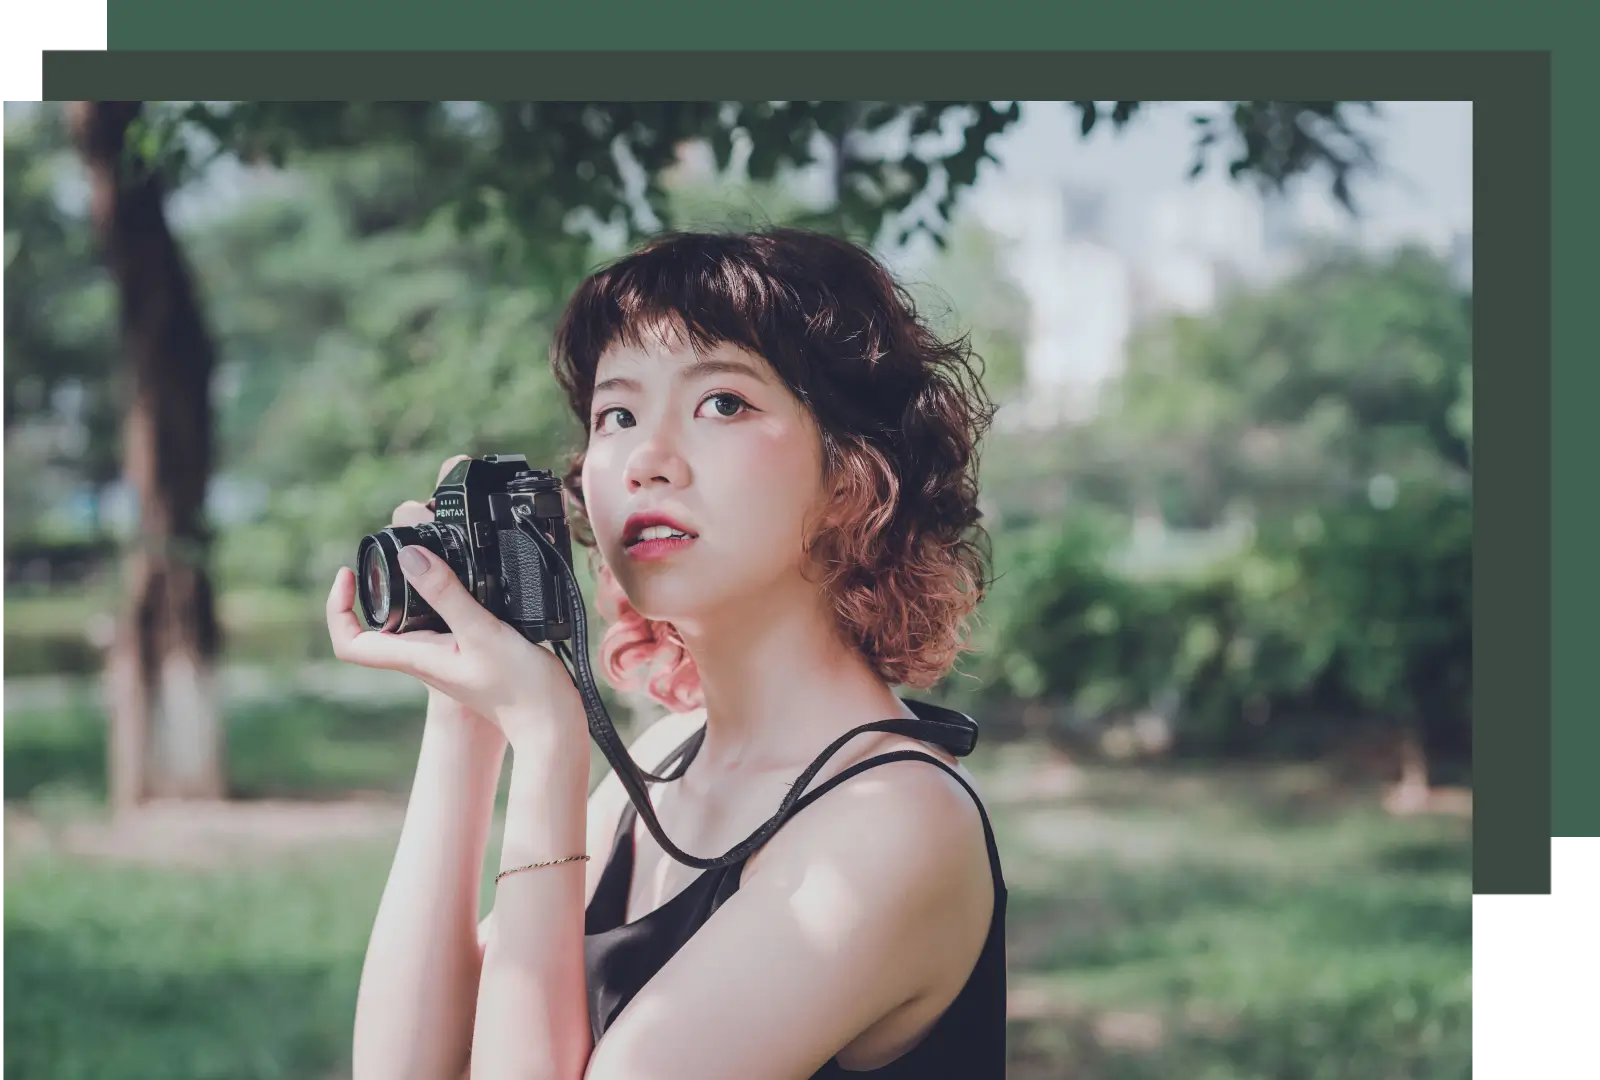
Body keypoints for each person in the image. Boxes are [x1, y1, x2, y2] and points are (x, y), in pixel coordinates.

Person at [326, 227, 1009, 1080]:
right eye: (617, 414)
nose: (646, 460)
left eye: (722, 402)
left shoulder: (896, 823)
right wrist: (465, 724)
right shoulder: (660, 762)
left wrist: (549, 749)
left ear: (854, 476)